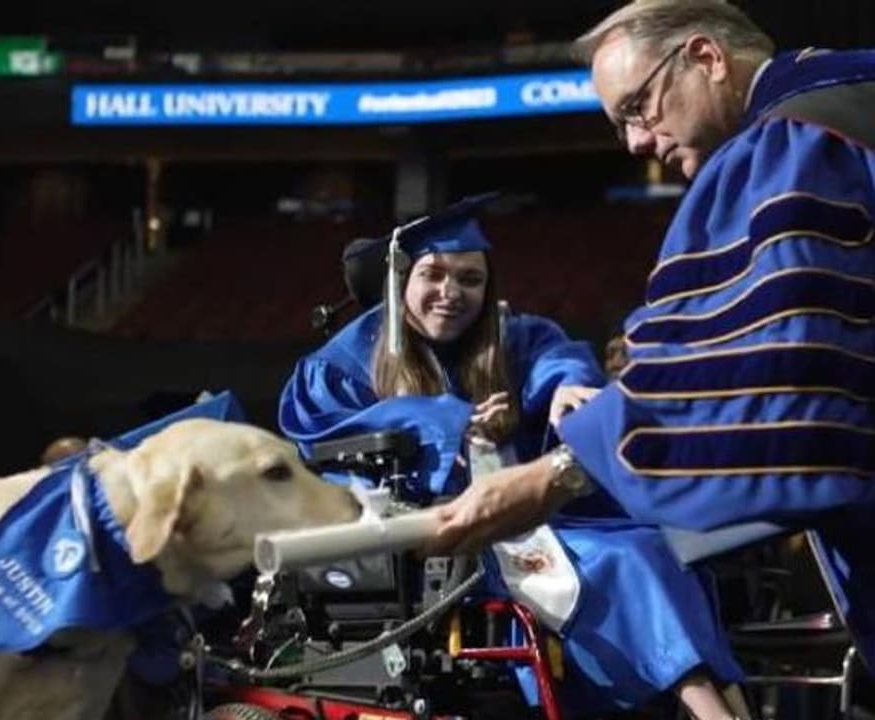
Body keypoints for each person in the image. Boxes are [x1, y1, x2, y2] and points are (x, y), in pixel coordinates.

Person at [428, 2, 875, 719]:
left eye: (640, 107)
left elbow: (758, 388)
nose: (640, 141)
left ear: (705, 57)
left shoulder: (796, 146)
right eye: (622, 126)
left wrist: (549, 476)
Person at [278, 197, 745, 719]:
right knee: (625, 561)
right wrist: (449, 424)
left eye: (470, 279)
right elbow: (323, 436)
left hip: (524, 522)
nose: (451, 294)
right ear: (401, 278)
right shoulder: (344, 361)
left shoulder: (503, 335)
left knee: (657, 544)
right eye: (433, 275)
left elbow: (556, 355)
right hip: (437, 537)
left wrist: (568, 387)